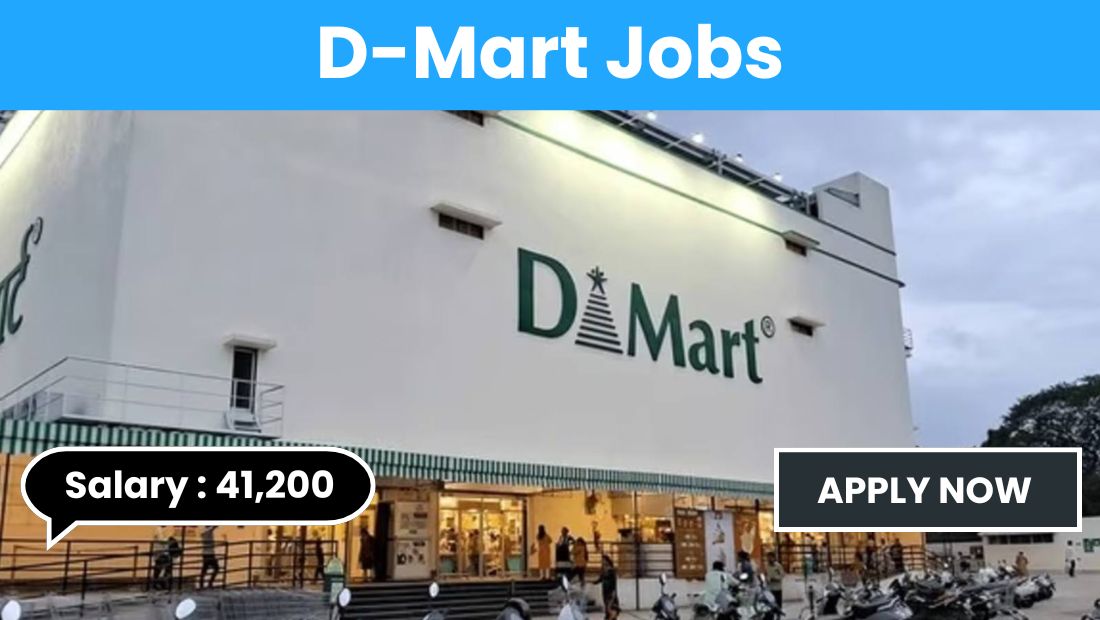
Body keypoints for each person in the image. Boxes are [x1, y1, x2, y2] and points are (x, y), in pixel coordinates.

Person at [594, 554, 620, 620]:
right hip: (605, 591)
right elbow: (600, 579)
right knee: (607, 608)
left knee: (611, 609)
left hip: (610, 591)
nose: (603, 562)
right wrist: (592, 582)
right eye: (602, 560)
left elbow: (614, 582)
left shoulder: (611, 571)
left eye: (604, 560)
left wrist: (613, 592)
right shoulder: (603, 570)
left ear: (607, 560)